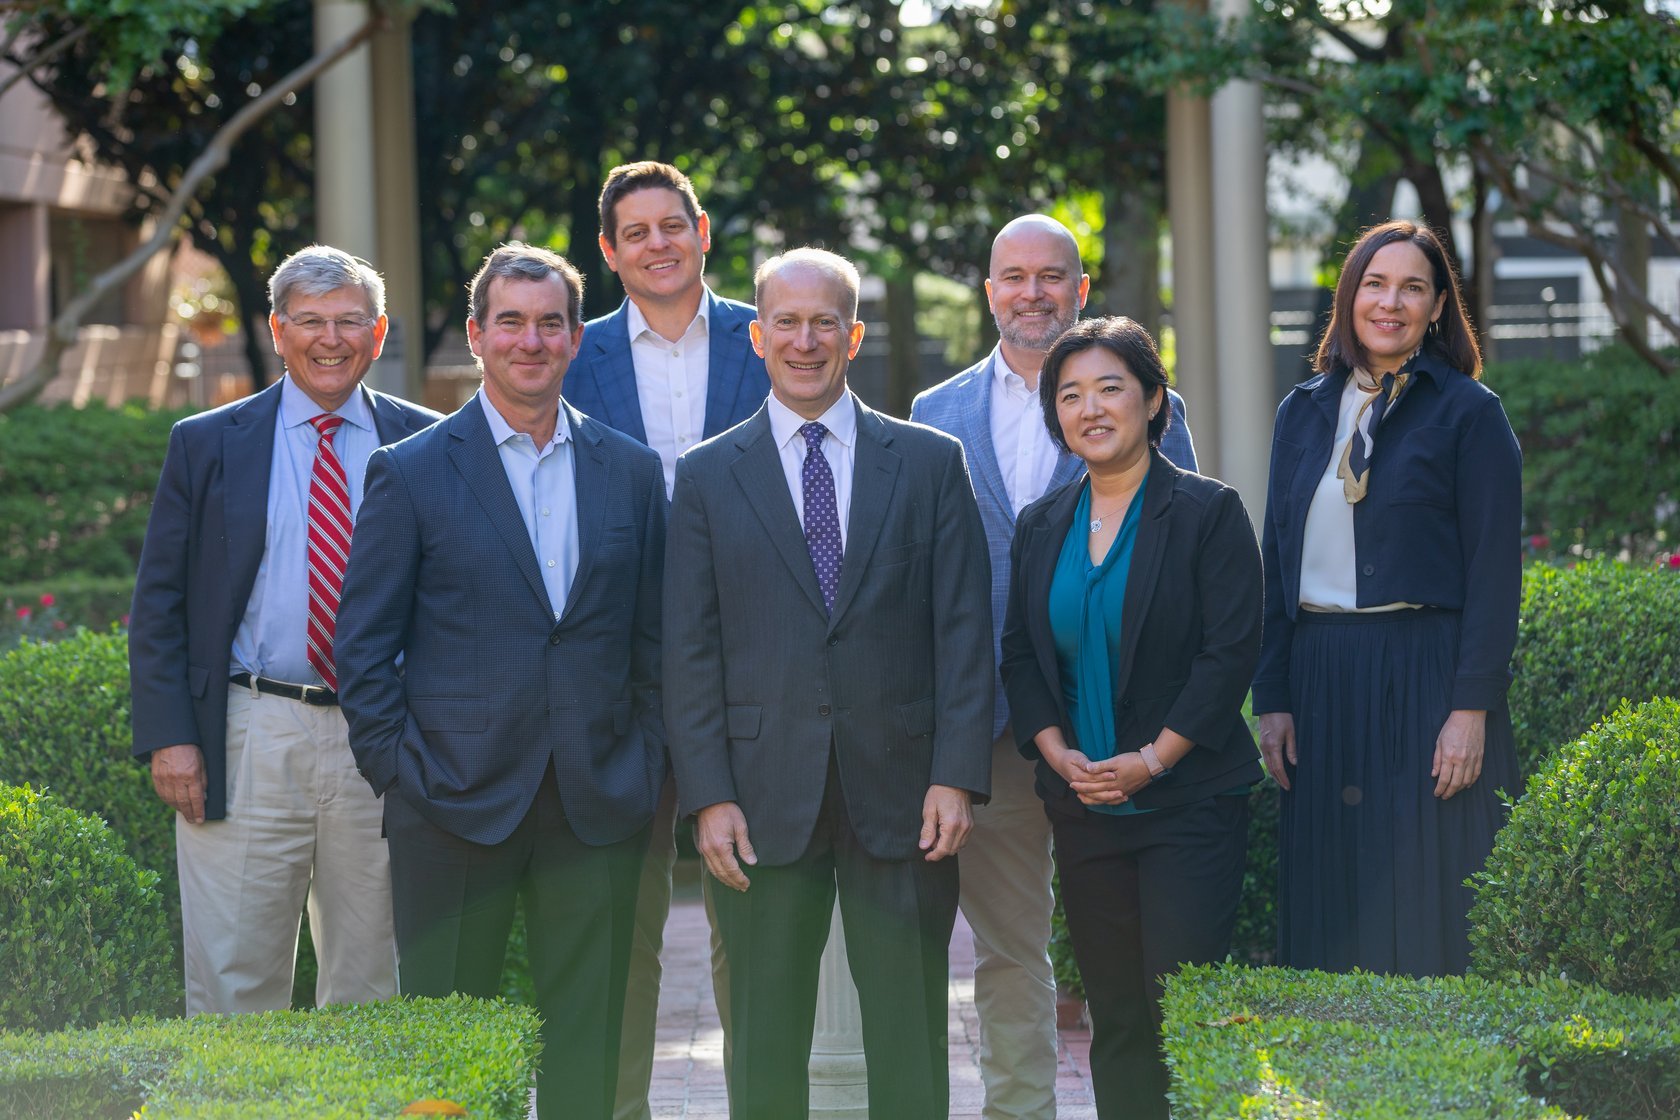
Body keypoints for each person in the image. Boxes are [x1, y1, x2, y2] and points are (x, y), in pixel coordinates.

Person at [335, 243, 666, 1119]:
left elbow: (656, 640)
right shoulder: (410, 470)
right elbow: (362, 648)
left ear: (575, 338)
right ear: (478, 336)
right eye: (510, 322)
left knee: (590, 1045)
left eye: (550, 323)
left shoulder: (631, 472)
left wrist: (647, 761)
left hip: (598, 798)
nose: (531, 340)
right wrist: (400, 772)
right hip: (449, 800)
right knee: (446, 1052)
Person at [664, 247, 992, 1120]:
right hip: (758, 797)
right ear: (757, 336)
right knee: (764, 1038)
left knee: (909, 1032)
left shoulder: (929, 462)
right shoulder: (705, 476)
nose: (804, 341)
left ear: (853, 335)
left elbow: (964, 631)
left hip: (907, 792)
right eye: (786, 323)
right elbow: (688, 650)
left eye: (824, 324)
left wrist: (956, 774)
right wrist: (708, 795)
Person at [910, 213, 1198, 1120]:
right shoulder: (933, 414)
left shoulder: (1151, 407)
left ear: (1080, 288)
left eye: (1050, 276)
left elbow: (1184, 562)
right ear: (988, 290)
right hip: (993, 725)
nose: (1031, 292)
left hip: (1120, 731)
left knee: (1137, 953)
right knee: (1009, 949)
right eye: (1013, 276)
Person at [128, 245, 436, 1016]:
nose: (330, 339)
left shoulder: (431, 442)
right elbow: (161, 601)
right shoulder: (206, 442)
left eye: (349, 321)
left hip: (384, 737)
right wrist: (172, 737)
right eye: (310, 321)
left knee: (375, 985)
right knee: (234, 980)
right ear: (277, 329)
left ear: (377, 332)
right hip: (248, 731)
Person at [999, 317, 1260, 1120]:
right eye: (1070, 395)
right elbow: (1020, 655)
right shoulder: (1041, 524)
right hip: (1085, 809)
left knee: (1183, 1015)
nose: (1090, 409)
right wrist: (1057, 755)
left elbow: (1229, 653)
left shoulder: (1208, 512)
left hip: (1189, 804)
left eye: (1110, 388)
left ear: (1152, 401)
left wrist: (1152, 760)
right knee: (1112, 1019)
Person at [1253, 219, 1522, 977]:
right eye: (1374, 284)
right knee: (1334, 900)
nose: (1390, 303)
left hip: (1426, 678)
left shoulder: (1471, 414)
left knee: (1429, 897)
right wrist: (1273, 697)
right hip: (1321, 679)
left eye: (1412, 288)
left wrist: (1470, 710)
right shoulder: (1302, 410)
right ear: (1349, 296)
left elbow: (1495, 576)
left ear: (1437, 307)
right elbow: (1277, 561)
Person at [562, 160, 767, 1120]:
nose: (657, 244)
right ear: (609, 253)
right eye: (635, 232)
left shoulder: (770, 336)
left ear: (702, 231)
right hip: (622, 678)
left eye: (671, 225)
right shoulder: (574, 353)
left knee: (758, 924)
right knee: (620, 928)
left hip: (754, 666)